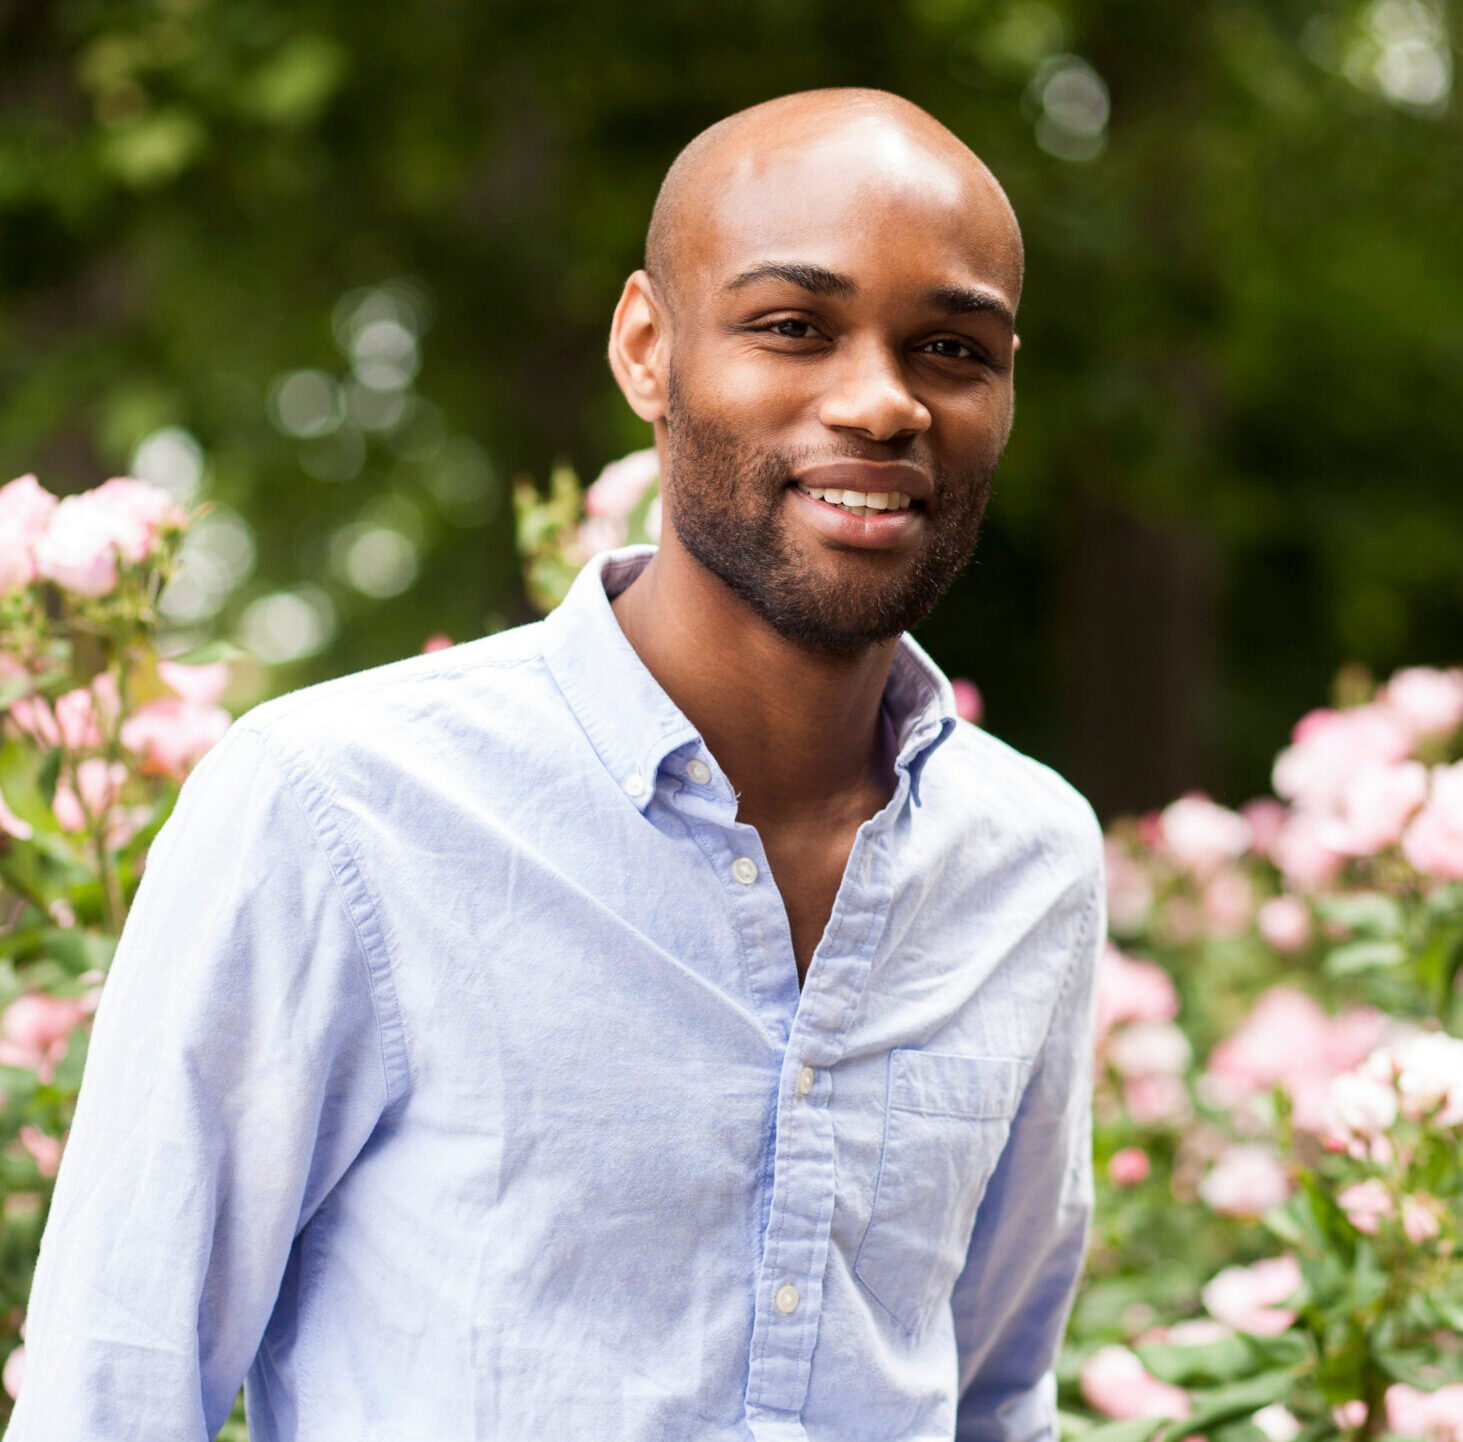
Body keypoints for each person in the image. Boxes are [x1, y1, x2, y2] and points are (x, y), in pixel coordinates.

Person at [9, 88, 1104, 1441]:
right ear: (649, 350)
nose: (883, 402)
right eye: (792, 327)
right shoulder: (332, 809)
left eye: (952, 348)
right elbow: (112, 1398)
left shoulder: (1032, 861)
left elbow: (996, 1399)